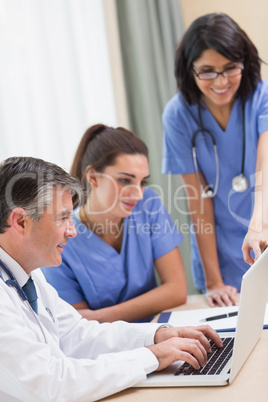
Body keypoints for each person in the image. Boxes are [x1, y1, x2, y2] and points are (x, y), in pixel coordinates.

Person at [0, 156, 222, 401]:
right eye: (62, 218)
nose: (72, 231)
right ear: (20, 221)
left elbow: (79, 335)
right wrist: (153, 356)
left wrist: (157, 336)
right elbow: (49, 384)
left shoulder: (30, 276)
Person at [162, 13, 268, 307]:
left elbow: (265, 168)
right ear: (190, 69)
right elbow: (197, 200)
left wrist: (259, 226)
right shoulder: (178, 115)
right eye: (207, 71)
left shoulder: (263, 97)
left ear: (245, 63)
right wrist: (214, 280)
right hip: (219, 254)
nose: (221, 82)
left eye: (230, 68)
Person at [42, 124, 187, 323]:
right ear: (93, 177)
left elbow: (177, 290)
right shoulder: (59, 236)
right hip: (105, 349)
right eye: (125, 180)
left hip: (157, 332)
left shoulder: (148, 204)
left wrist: (98, 317)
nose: (137, 193)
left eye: (142, 182)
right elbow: (76, 327)